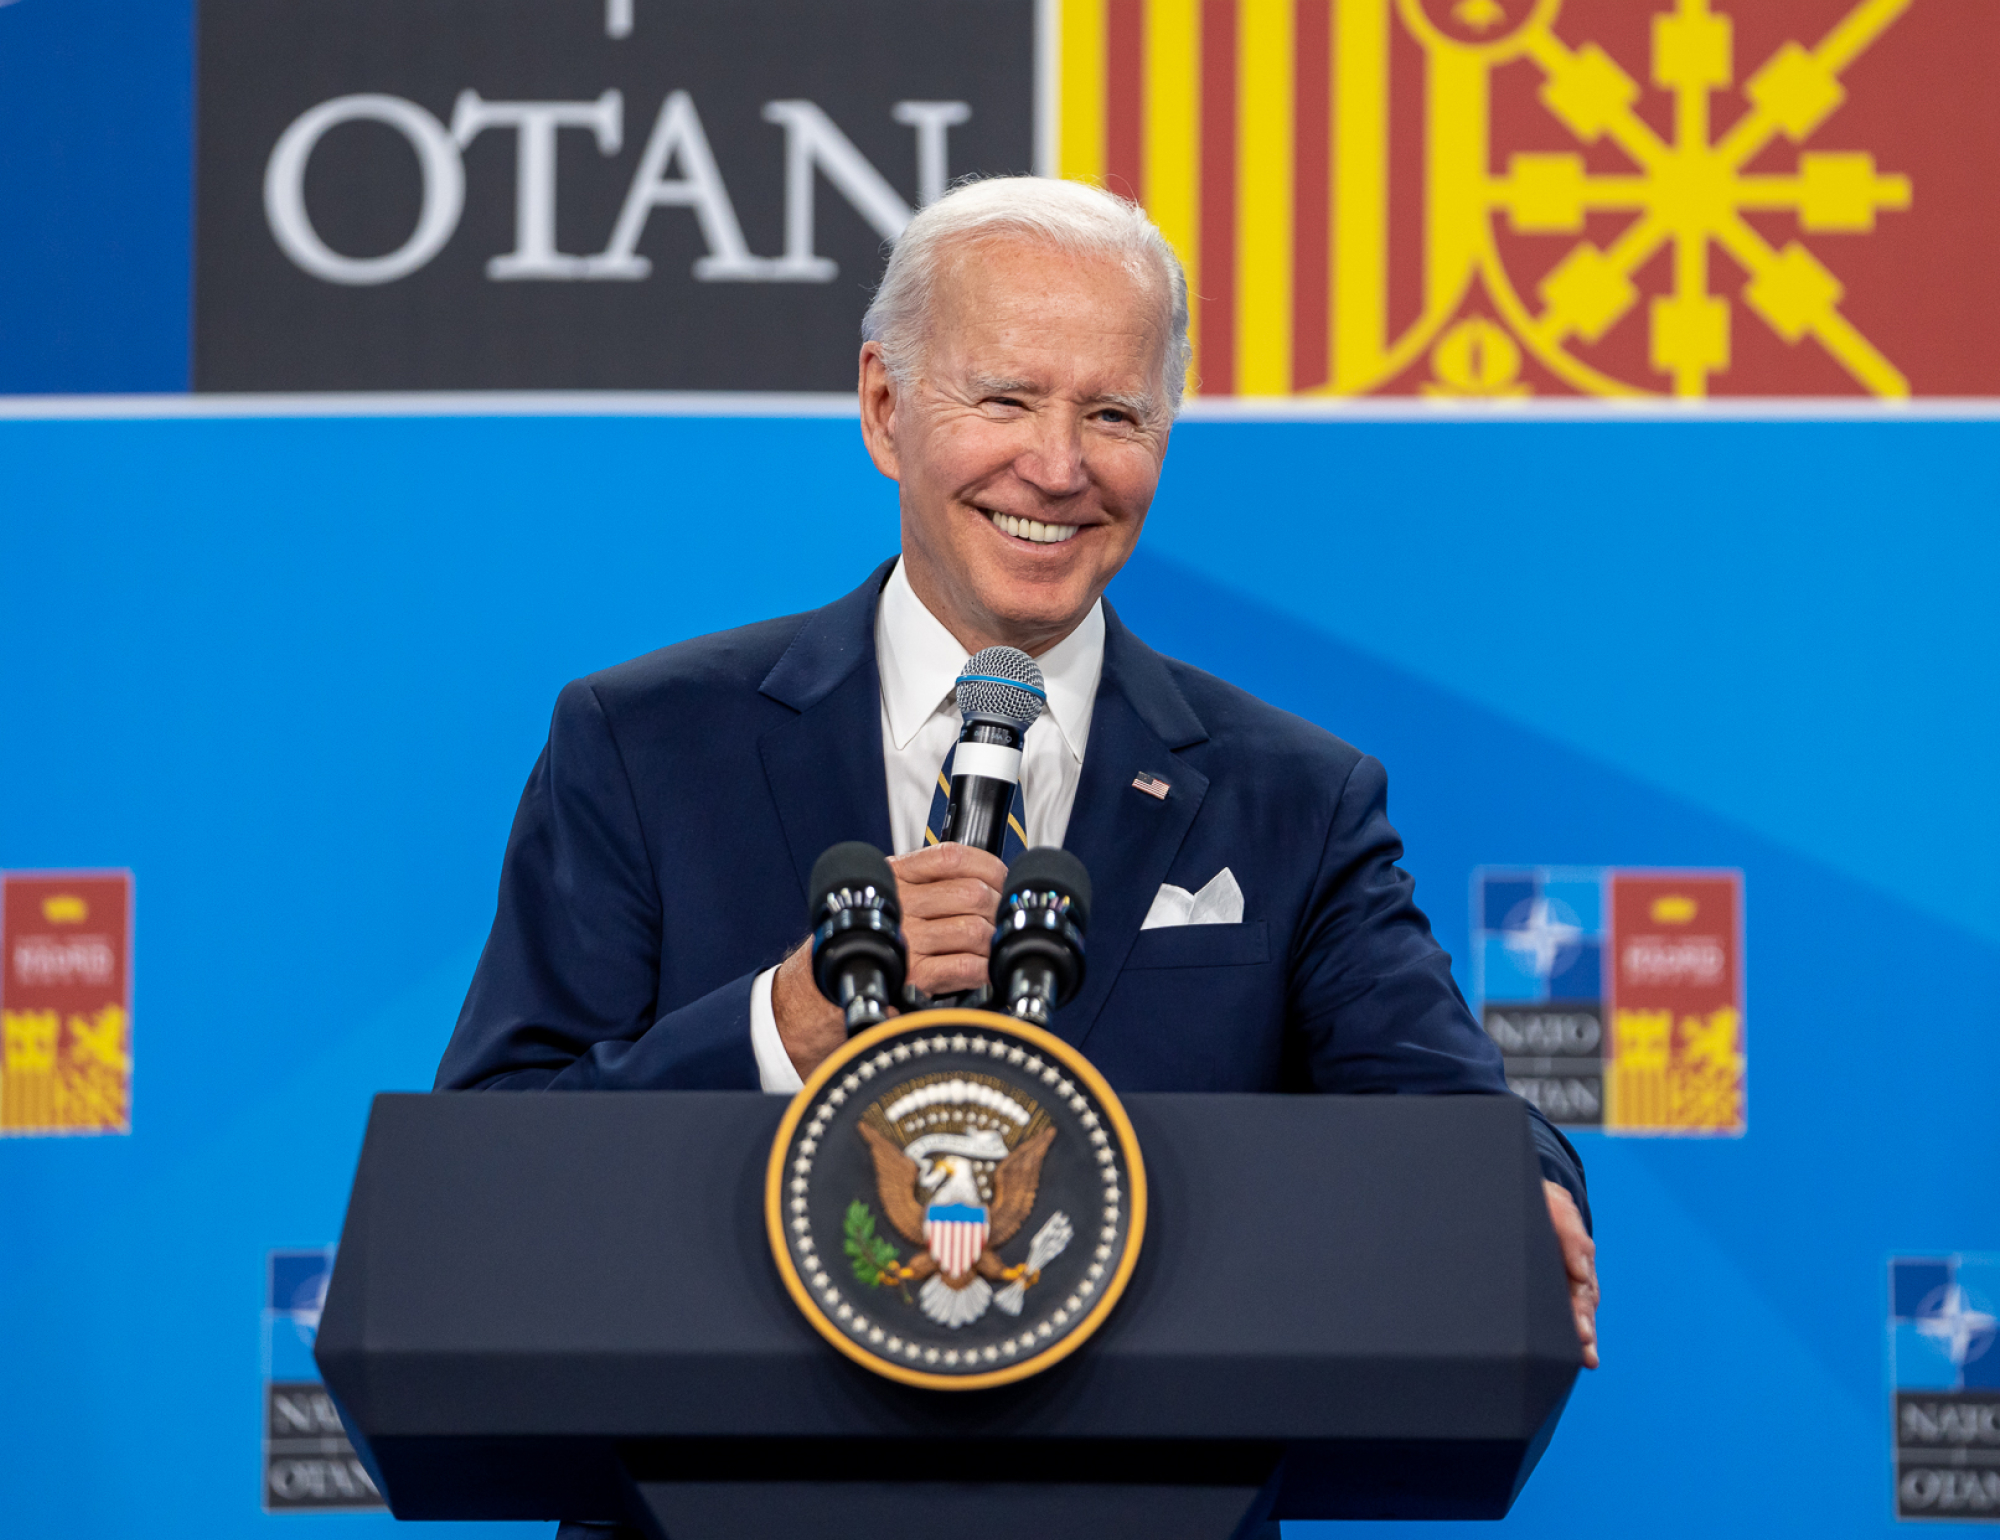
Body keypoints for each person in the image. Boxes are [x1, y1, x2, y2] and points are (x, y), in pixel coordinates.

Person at [435, 178, 1598, 1378]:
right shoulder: (642, 742)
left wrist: (1521, 1190)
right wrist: (784, 1027)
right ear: (885, 409)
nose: (1056, 467)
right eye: (1004, 399)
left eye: (1113, 414)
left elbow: (1455, 1123)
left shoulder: (1295, 797)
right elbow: (484, 1177)